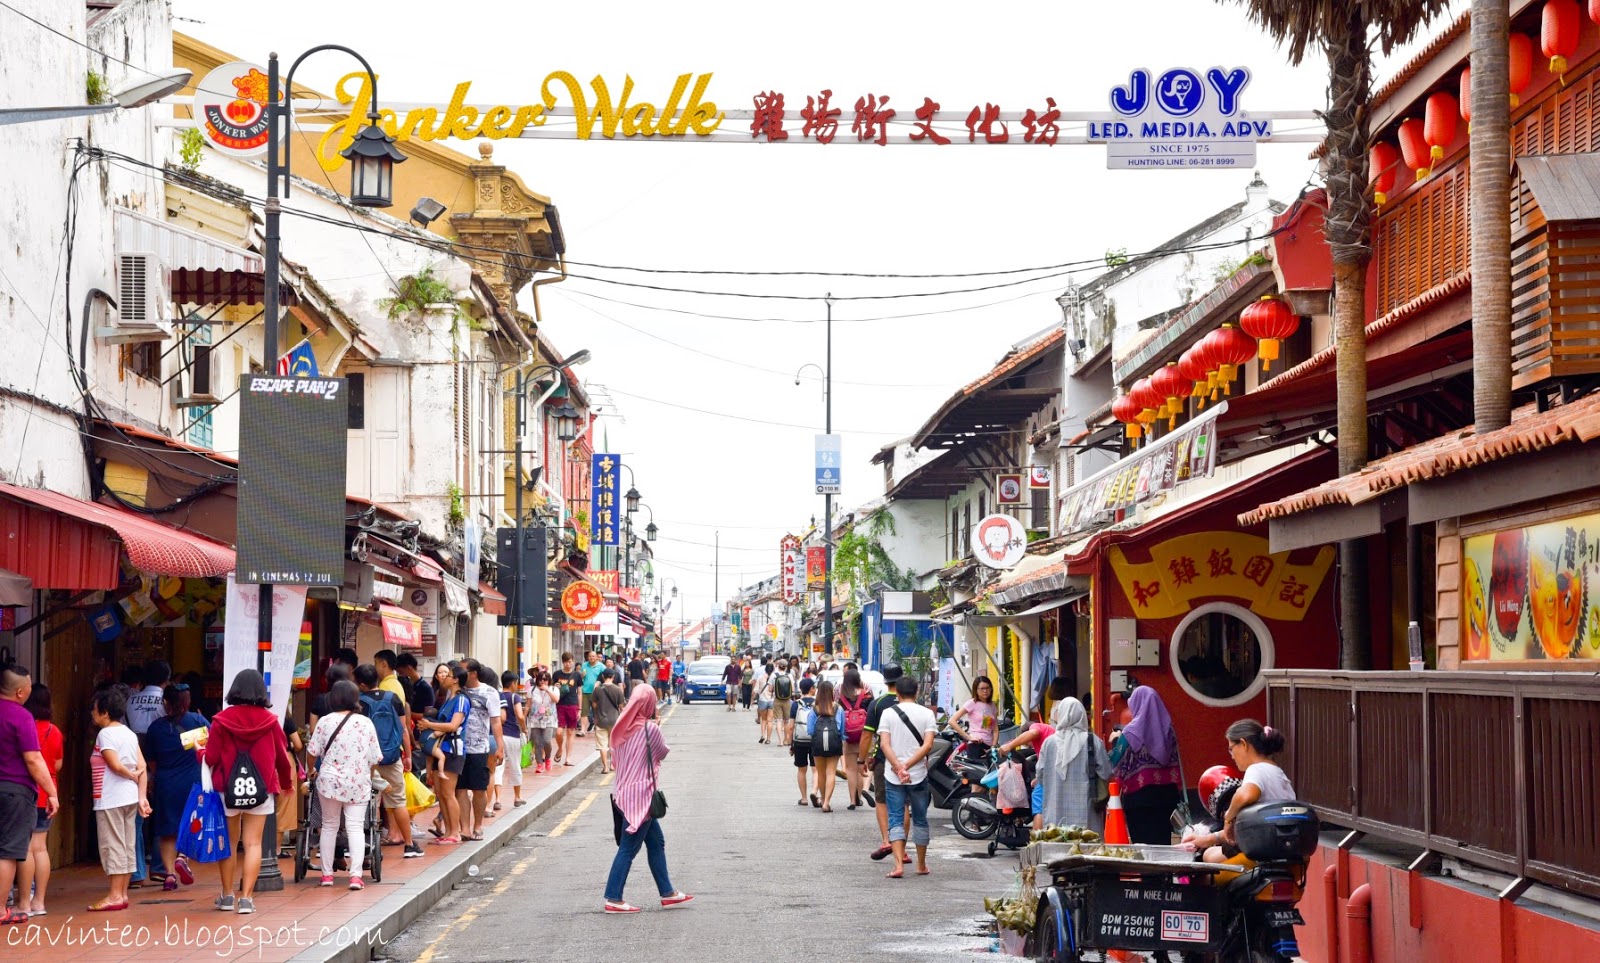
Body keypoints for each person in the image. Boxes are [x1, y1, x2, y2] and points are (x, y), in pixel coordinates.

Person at [203, 670, 292, 915]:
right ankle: (247, 899)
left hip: (227, 788)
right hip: (261, 788)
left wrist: (200, 752)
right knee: (253, 844)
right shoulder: (271, 721)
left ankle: (227, 895)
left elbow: (210, 757)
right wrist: (286, 783)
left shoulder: (221, 720)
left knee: (230, 844)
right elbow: (282, 758)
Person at [603, 685, 692, 913]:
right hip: (641, 799)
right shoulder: (649, 729)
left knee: (656, 842)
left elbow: (617, 761)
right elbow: (662, 752)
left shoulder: (619, 729)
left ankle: (668, 892)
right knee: (627, 849)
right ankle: (613, 897)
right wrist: (656, 727)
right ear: (649, 704)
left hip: (623, 794)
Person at [307, 680, 382, 890]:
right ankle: (356, 876)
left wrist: (311, 769)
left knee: (329, 826)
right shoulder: (366, 723)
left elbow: (312, 752)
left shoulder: (324, 721)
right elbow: (375, 757)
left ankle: (327, 875)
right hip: (358, 781)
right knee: (356, 828)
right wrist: (368, 773)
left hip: (329, 780)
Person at [2, 667, 58, 926]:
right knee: (9, 852)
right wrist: (52, 792)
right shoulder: (21, 716)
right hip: (15, 792)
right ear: (21, 692)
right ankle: (2, 908)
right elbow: (34, 759)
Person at [89, 685, 149, 911]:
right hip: (129, 798)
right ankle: (121, 894)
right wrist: (142, 796)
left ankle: (115, 895)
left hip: (111, 798)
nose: (92, 714)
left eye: (94, 710)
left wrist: (129, 774)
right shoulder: (128, 733)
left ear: (105, 712)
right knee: (126, 844)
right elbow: (142, 766)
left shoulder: (105, 734)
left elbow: (114, 765)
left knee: (113, 845)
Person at [1203, 720, 1295, 865]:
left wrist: (1228, 817)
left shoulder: (1256, 769)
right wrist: (1209, 838)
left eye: (1231, 749)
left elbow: (1246, 795)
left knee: (1209, 858)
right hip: (1284, 852)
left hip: (1262, 855)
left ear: (1243, 744)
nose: (1232, 756)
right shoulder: (1278, 773)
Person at [354, 665, 421, 858]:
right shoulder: (393, 698)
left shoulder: (359, 702)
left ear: (361, 684)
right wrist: (407, 755)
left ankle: (367, 846)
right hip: (392, 756)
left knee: (368, 802)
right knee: (398, 801)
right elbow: (404, 730)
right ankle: (409, 845)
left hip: (367, 760)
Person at [145, 684, 207, 891]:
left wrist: (158, 776)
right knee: (192, 823)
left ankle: (170, 875)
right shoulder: (197, 721)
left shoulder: (155, 728)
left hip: (165, 783)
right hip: (192, 782)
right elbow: (212, 747)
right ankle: (183, 857)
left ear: (166, 703)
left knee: (167, 831)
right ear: (187, 702)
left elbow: (151, 760)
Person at [877, 676, 937, 879]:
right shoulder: (928, 714)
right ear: (917, 692)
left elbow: (884, 745)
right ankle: (920, 864)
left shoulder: (887, 713)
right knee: (920, 819)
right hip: (918, 774)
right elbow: (928, 745)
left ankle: (898, 866)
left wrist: (898, 767)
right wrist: (908, 766)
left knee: (895, 818)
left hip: (893, 775)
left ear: (897, 694)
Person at [1109, 686, 1183, 845]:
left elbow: (1116, 764)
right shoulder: (1168, 730)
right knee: (1162, 844)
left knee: (1143, 848)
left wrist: (1115, 740)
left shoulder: (1130, 732)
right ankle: (1163, 871)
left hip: (1138, 799)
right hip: (1166, 797)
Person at [16, 683, 62, 917]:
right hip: (49, 792)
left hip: (29, 792)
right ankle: (39, 902)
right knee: (40, 848)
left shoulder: (23, 726)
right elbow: (57, 765)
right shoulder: (54, 731)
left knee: (25, 849)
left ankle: (24, 902)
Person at [1036, 697, 1112, 834]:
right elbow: (1106, 772)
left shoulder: (1049, 743)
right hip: (1086, 814)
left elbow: (1040, 776)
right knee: (1087, 848)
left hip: (1055, 813)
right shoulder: (1093, 741)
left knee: (1057, 846)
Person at [125, 661, 169, 886]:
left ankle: (136, 871)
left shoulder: (131, 700)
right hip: (160, 759)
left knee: (135, 816)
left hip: (133, 757)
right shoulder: (165, 701)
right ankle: (161, 867)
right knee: (162, 813)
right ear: (166, 679)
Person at [860, 662, 906, 861]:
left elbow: (867, 735)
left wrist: (862, 758)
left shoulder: (877, 704)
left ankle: (887, 840)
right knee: (903, 803)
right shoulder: (912, 703)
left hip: (883, 759)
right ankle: (902, 849)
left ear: (885, 681)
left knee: (881, 800)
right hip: (907, 760)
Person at [420, 665, 469, 843]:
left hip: (453, 749)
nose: (444, 678)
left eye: (448, 675)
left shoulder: (462, 700)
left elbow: (453, 726)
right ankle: (448, 831)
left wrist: (429, 726)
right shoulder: (449, 698)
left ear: (456, 680)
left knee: (448, 793)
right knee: (440, 793)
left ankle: (455, 832)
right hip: (441, 748)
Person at [457, 660, 505, 841]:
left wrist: (500, 747)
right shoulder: (457, 690)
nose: (458, 674)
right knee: (460, 789)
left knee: (478, 789)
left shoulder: (489, 693)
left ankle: (477, 825)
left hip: (479, 748)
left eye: (462, 671)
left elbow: (495, 721)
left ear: (473, 673)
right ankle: (464, 828)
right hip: (458, 748)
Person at [807, 680, 845, 811]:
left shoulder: (814, 708)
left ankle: (822, 798)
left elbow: (810, 730)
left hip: (817, 744)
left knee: (821, 773)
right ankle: (826, 803)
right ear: (831, 692)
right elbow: (841, 729)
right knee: (831, 773)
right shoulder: (838, 708)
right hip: (834, 743)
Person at [836, 669, 872, 809]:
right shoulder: (867, 696)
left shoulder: (841, 698)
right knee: (862, 768)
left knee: (850, 769)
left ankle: (852, 800)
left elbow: (839, 718)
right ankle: (861, 794)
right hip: (865, 736)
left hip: (848, 737)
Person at [950, 676, 1001, 762]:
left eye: (987, 688)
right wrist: (968, 737)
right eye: (982, 688)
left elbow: (995, 729)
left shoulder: (992, 705)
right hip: (976, 745)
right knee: (977, 774)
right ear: (976, 690)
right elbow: (952, 721)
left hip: (989, 747)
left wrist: (994, 745)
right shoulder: (971, 703)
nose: (985, 691)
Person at [498, 671, 528, 808]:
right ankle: (517, 797)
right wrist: (524, 728)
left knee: (498, 767)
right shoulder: (514, 697)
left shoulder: (497, 696)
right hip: (512, 735)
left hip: (498, 735)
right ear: (513, 683)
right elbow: (520, 716)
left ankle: (497, 799)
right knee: (515, 765)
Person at [789, 678, 818, 807]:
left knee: (802, 770)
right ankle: (815, 792)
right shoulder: (818, 703)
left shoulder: (796, 704)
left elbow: (790, 726)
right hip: (815, 739)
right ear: (811, 689)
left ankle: (804, 798)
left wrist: (791, 744)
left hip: (799, 740)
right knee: (816, 770)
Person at [551, 653, 583, 767]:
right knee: (559, 732)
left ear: (573, 661)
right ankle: (560, 748)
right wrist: (555, 687)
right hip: (560, 705)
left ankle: (568, 758)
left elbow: (579, 692)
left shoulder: (577, 675)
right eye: (565, 662)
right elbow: (552, 690)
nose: (568, 664)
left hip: (573, 705)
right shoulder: (556, 674)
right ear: (562, 662)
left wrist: (580, 708)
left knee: (570, 732)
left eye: (570, 661)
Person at [593, 669, 626, 773]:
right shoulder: (617, 689)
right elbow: (621, 706)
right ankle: (612, 765)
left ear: (603, 676)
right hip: (614, 720)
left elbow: (594, 705)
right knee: (613, 744)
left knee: (602, 745)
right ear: (613, 677)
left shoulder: (597, 689)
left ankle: (605, 767)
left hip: (601, 720)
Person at [526, 672, 558, 774]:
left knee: (547, 741)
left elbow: (556, 699)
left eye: (545, 679)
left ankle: (548, 758)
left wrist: (547, 690)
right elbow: (528, 705)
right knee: (537, 742)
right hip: (535, 720)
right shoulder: (532, 690)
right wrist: (523, 717)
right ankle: (539, 763)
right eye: (540, 679)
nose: (542, 681)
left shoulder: (554, 689)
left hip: (549, 719)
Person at [770, 659, 794, 745]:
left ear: (778, 665)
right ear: (786, 667)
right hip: (787, 700)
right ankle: (786, 739)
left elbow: (770, 689)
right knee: (786, 721)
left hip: (777, 700)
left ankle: (780, 741)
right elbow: (793, 689)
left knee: (778, 720)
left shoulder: (774, 675)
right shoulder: (789, 676)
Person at [581, 651, 604, 735]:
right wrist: (582, 675)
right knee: (584, 712)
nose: (592, 658)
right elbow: (581, 677)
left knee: (597, 712)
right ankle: (583, 730)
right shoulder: (584, 665)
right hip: (585, 691)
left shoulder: (601, 666)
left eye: (593, 656)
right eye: (590, 656)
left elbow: (604, 678)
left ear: (597, 657)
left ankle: (598, 729)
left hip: (597, 692)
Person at [754, 660, 777, 744]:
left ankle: (763, 735)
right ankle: (768, 739)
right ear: (773, 669)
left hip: (762, 700)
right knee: (770, 721)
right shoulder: (775, 677)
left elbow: (756, 690)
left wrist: (752, 699)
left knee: (763, 720)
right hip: (772, 700)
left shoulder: (760, 677)